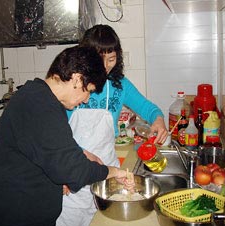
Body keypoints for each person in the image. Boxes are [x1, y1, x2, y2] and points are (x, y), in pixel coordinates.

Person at [0, 46, 135, 226]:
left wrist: (60, 175)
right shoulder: (40, 105)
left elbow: (52, 154)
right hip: (18, 215)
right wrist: (113, 172)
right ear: (77, 79)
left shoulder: (42, 99)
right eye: (89, 90)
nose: (87, 99)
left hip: (26, 211)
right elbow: (74, 170)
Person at [56, 24, 168, 226]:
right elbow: (57, 133)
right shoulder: (72, 86)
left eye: (111, 59)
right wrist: (65, 167)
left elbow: (147, 107)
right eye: (100, 59)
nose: (105, 66)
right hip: (74, 167)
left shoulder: (119, 85)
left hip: (107, 172)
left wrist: (158, 120)